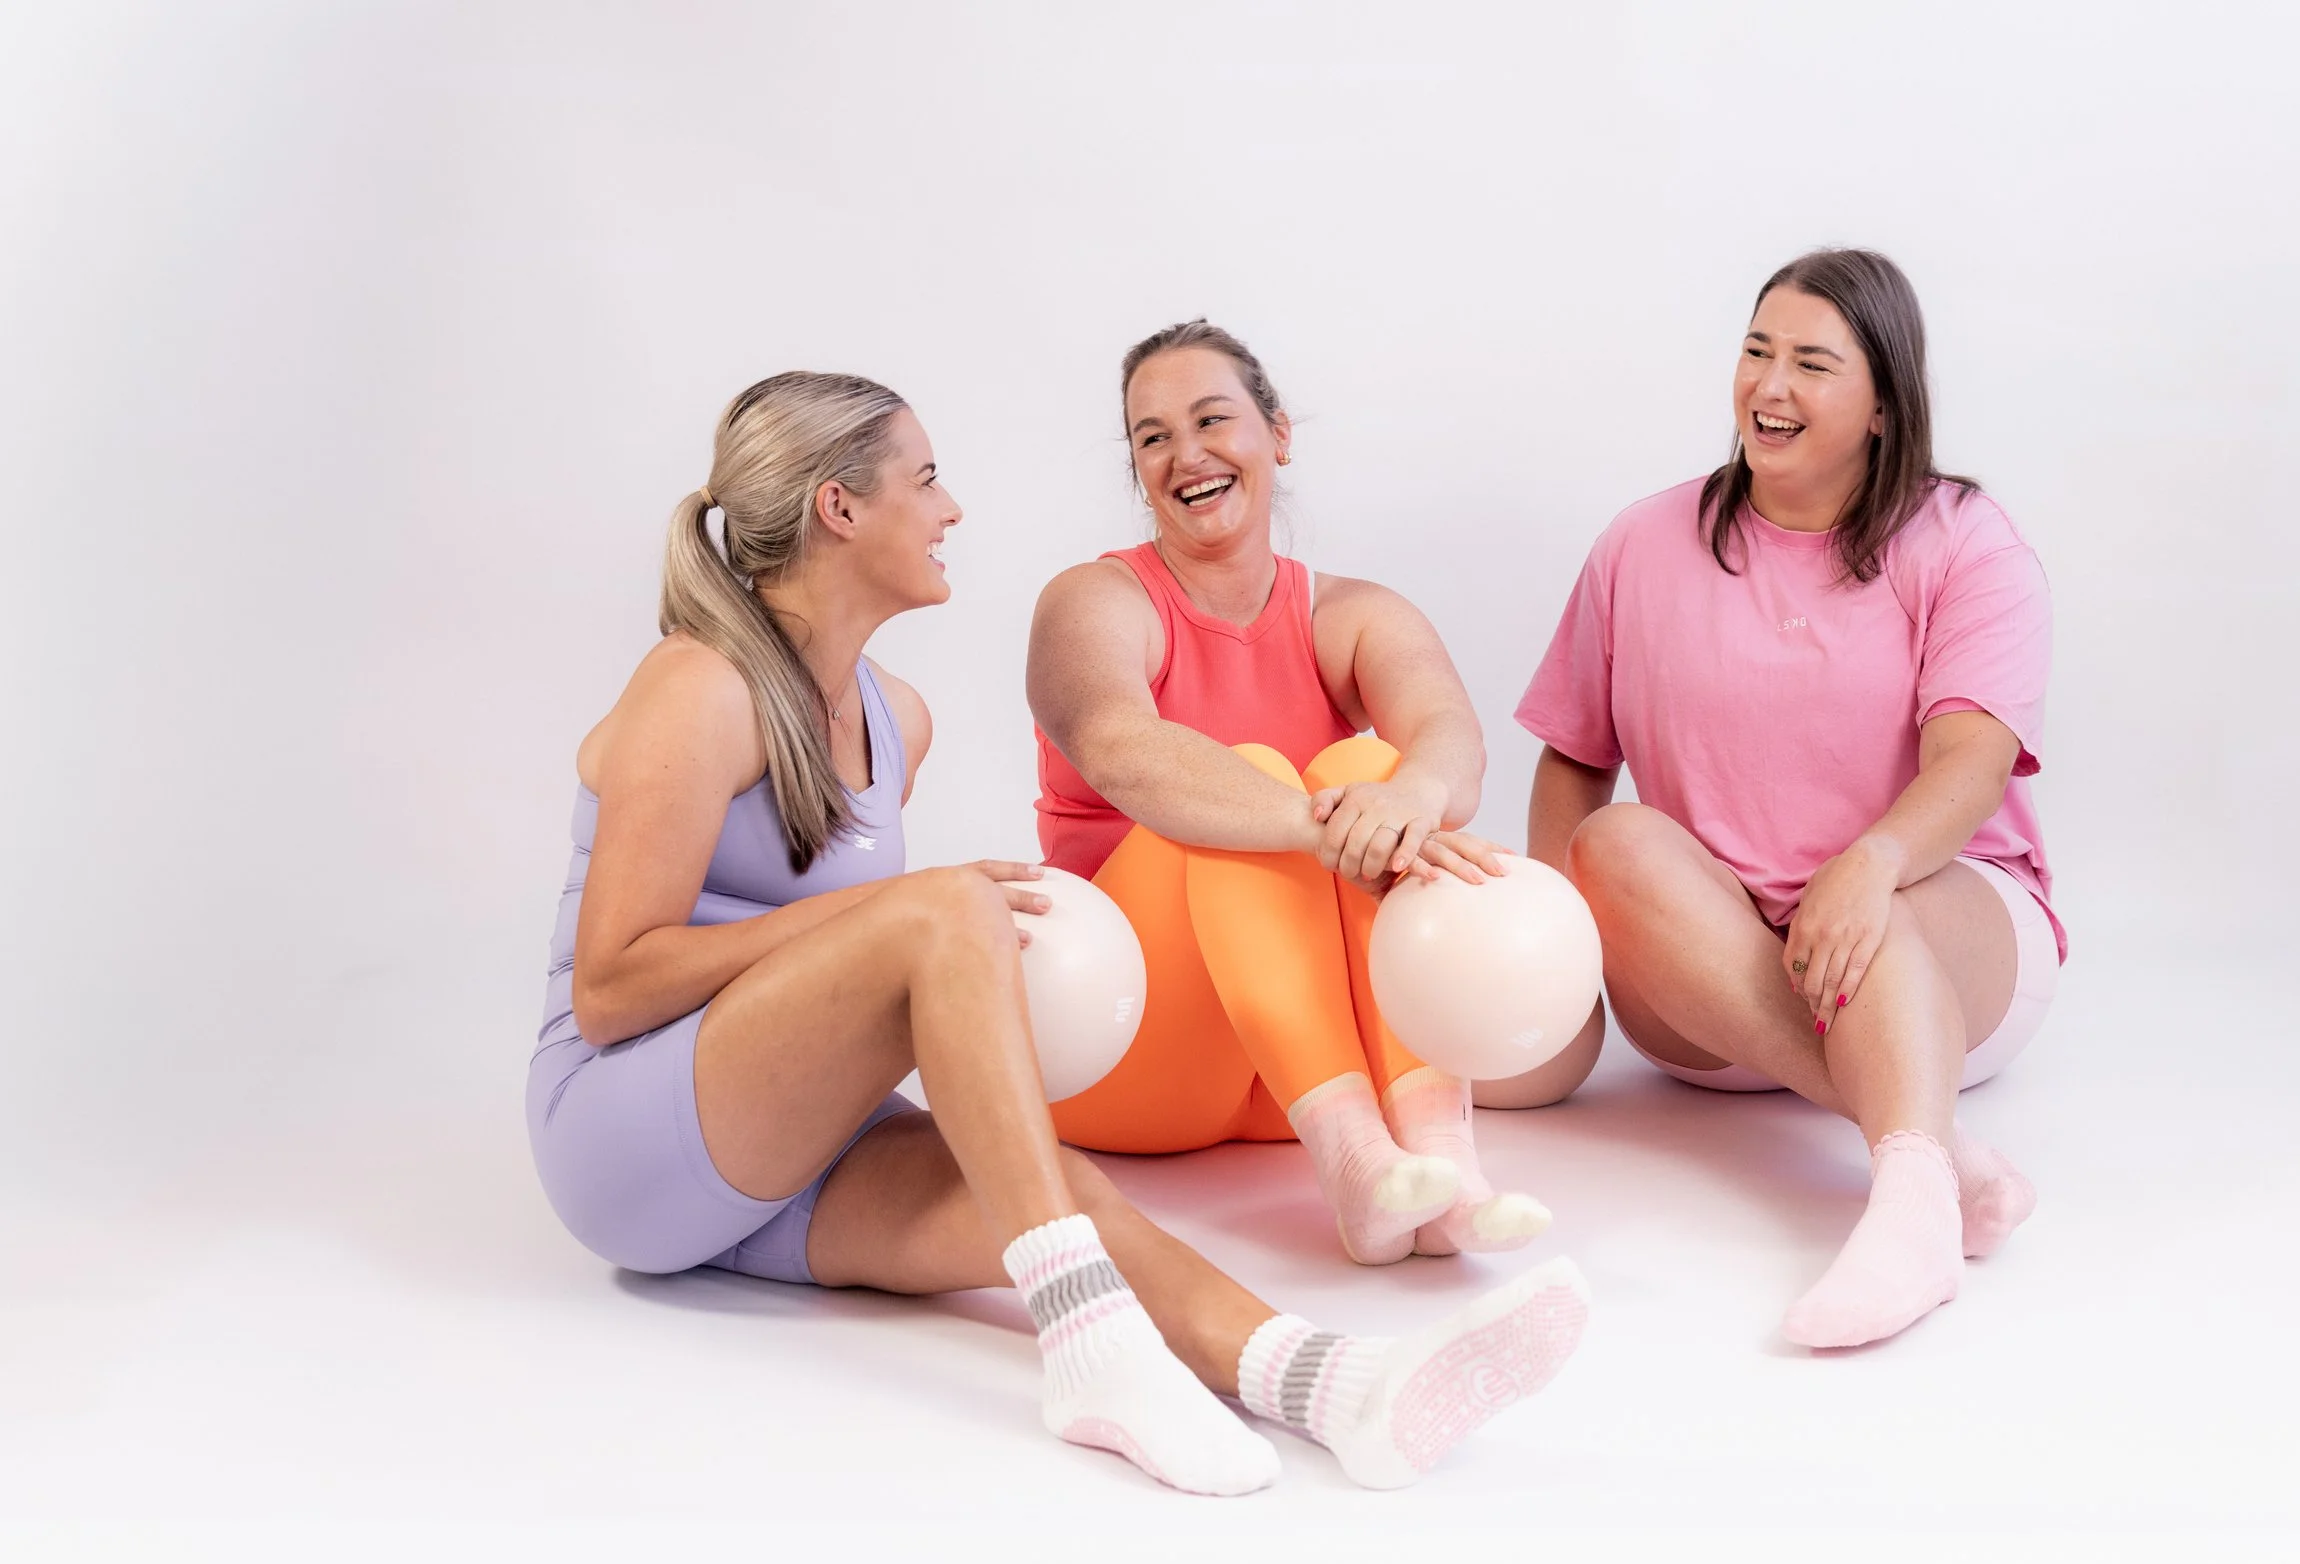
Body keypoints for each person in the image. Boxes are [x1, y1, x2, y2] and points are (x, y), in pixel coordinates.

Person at [525, 372, 1589, 1494]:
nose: (951, 509)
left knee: (1057, 1192)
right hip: (628, 1132)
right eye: (925, 478)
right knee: (946, 905)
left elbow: (833, 979)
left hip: (785, 1147)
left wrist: (900, 922)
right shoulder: (699, 686)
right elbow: (612, 985)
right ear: (840, 508)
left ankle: (1333, 1382)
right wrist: (897, 911)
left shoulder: (898, 718)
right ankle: (1089, 1349)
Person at [1507, 250, 2060, 1348]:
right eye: (1757, 350)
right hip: (1709, 977)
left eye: (1812, 362)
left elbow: (1969, 759)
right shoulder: (1642, 541)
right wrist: (1550, 968)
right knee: (1611, 843)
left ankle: (1906, 1209)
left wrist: (1868, 864)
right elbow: (1576, 759)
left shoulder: (1965, 542)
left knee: (1885, 906)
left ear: (1883, 410)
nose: (1769, 386)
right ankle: (1934, 1148)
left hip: (1930, 936)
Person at [1027, 322, 1546, 1264]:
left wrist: (1404, 800)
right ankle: (1356, 1161)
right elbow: (1118, 748)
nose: (1186, 455)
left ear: (1277, 433)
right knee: (1269, 778)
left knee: (1373, 772)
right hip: (1127, 1053)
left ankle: (1436, 1161)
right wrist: (1330, 833)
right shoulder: (1095, 601)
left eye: (1211, 419)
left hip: (1293, 1069)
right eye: (1152, 437)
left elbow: (1451, 747)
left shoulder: (1350, 614)